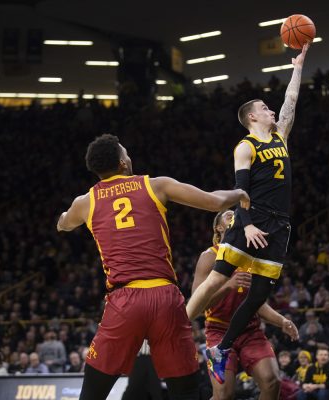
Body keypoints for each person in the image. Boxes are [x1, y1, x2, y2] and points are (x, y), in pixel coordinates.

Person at [56, 134, 249, 400]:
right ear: (123, 162)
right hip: (165, 299)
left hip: (123, 301)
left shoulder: (85, 202)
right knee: (187, 393)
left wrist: (64, 219)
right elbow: (215, 202)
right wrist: (239, 192)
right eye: (127, 153)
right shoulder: (155, 185)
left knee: (92, 393)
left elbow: (64, 223)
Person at [185, 44, 310, 384]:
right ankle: (179, 328)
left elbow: (291, 104)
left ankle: (221, 348)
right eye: (265, 108)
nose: (272, 111)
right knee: (217, 278)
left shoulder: (280, 138)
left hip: (279, 224)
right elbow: (240, 189)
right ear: (252, 116)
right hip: (250, 218)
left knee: (258, 294)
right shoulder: (246, 146)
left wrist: (298, 66)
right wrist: (248, 222)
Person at [192, 210, 299, 400]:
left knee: (272, 382)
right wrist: (228, 287)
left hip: (250, 330)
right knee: (224, 394)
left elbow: (256, 303)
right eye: (228, 215)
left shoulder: (251, 256)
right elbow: (196, 304)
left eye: (236, 214)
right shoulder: (209, 256)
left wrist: (282, 321)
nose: (234, 216)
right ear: (218, 227)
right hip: (219, 330)